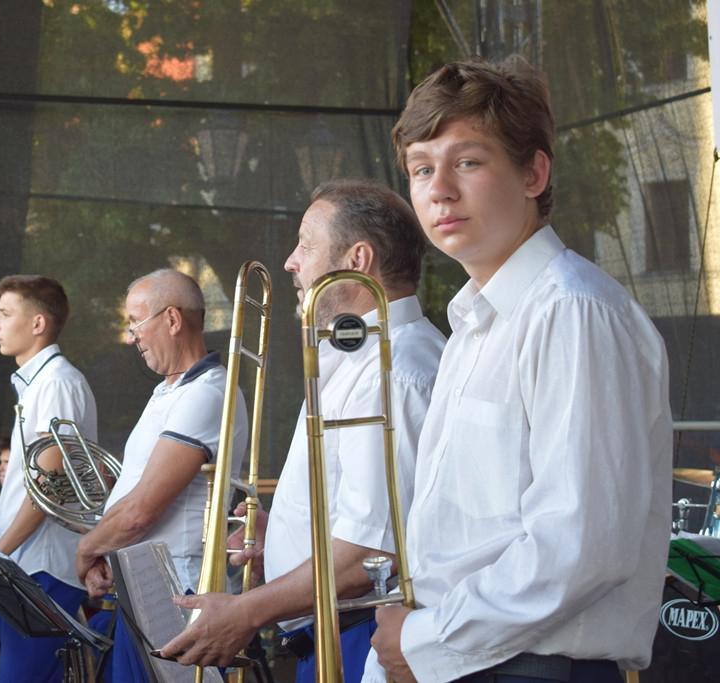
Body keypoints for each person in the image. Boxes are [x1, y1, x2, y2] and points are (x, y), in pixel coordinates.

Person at [369, 56, 672, 683]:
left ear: (534, 172)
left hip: (534, 668)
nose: (438, 189)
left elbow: (583, 546)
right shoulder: (476, 322)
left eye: (467, 162)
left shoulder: (573, 311)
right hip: (479, 659)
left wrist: (427, 637)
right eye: (422, 169)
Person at [158, 178, 446, 682]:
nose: (291, 261)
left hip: (363, 640)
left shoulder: (395, 370)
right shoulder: (369, 358)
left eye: (306, 245)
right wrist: (288, 536)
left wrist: (246, 612)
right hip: (341, 632)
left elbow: (371, 554)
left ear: (358, 259)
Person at [76, 269, 249, 682]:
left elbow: (141, 511)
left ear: (172, 320)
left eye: (136, 322)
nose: (131, 335)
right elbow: (134, 491)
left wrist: (86, 550)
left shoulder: (208, 391)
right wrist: (105, 550)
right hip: (147, 588)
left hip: (177, 593)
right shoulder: (171, 390)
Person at [0, 275, 98, 683]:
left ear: (38, 324)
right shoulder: (39, 382)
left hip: (44, 566)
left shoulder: (56, 383)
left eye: (4, 313)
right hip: (26, 564)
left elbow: (48, 488)